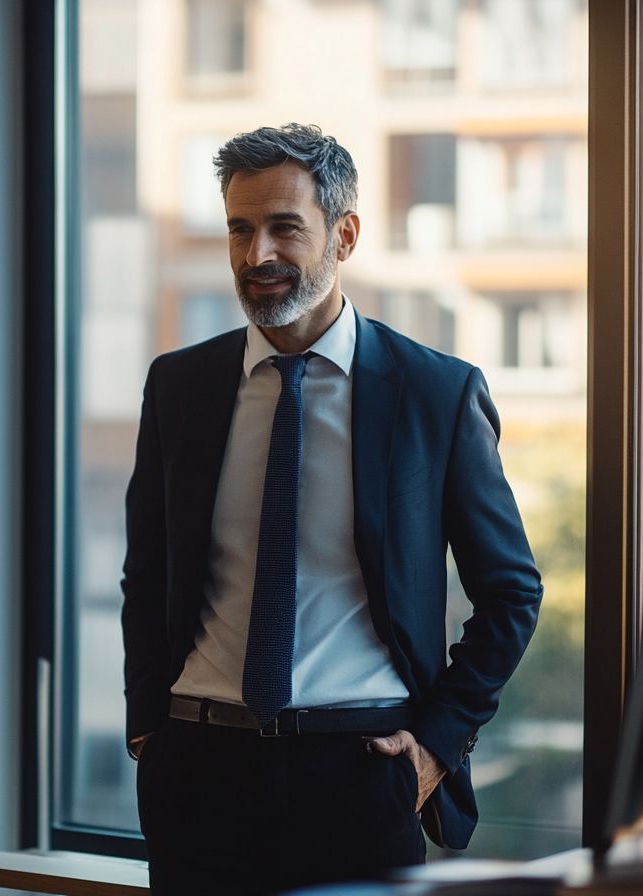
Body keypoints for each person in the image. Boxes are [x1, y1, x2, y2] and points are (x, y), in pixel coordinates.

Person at [121, 124, 543, 895]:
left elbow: (512, 593)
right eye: (240, 230)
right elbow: (146, 575)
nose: (258, 256)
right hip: (198, 774)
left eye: (286, 227)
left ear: (344, 235)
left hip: (357, 774)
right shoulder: (179, 387)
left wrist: (436, 746)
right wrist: (150, 728)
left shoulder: (435, 395)